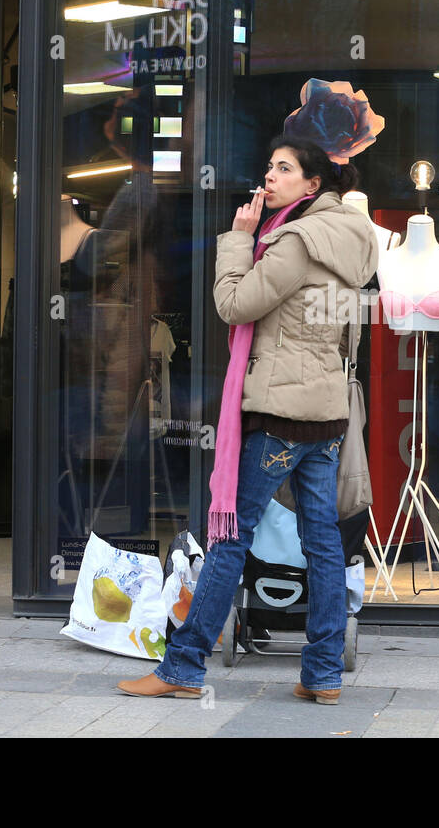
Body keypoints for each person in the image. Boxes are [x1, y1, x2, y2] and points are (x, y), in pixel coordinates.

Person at [118, 136, 378, 704]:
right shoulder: (354, 238)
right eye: (269, 165)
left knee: (229, 535)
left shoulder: (295, 241)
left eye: (283, 169)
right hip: (326, 412)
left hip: (280, 412)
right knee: (325, 545)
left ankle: (183, 668)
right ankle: (324, 674)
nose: (270, 177)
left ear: (313, 185)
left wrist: (238, 239)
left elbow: (235, 305)